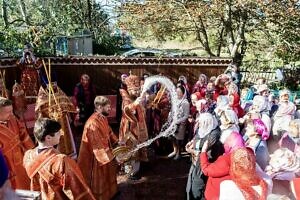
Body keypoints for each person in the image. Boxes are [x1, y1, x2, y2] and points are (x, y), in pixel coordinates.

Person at [23, 118, 95, 200]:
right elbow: (77, 189)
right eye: (58, 133)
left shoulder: (28, 156)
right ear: (48, 138)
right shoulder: (61, 161)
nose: (61, 134)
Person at [78, 96, 119, 200]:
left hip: (106, 152)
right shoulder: (93, 124)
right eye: (108, 107)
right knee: (99, 178)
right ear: (100, 107)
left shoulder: (102, 117)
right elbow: (97, 146)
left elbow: (108, 131)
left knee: (109, 173)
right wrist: (113, 157)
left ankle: (111, 194)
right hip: (95, 157)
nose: (110, 109)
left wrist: (117, 141)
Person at [35, 73, 77, 158]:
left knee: (66, 139)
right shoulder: (42, 97)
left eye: (55, 83)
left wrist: (64, 111)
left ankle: (70, 155)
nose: (53, 86)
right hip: (51, 124)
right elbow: (39, 113)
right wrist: (49, 113)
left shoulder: (59, 92)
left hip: (63, 122)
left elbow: (67, 105)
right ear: (46, 84)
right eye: (51, 84)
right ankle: (56, 157)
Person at [119, 73, 148, 180]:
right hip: (129, 129)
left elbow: (141, 111)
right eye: (134, 90)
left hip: (138, 128)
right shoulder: (126, 99)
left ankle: (136, 169)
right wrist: (135, 104)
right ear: (129, 89)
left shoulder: (136, 98)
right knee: (130, 150)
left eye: (137, 90)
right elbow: (126, 110)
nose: (136, 92)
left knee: (138, 148)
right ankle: (131, 172)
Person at [0, 97, 34, 190]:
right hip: (7, 164)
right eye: (8, 112)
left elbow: (23, 133)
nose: (11, 114)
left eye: (12, 111)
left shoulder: (12, 119)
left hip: (21, 157)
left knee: (26, 182)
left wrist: (31, 152)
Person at [168, 85, 190, 160]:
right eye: (176, 91)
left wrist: (178, 121)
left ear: (183, 93)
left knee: (178, 139)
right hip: (173, 122)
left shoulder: (185, 103)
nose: (177, 93)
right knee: (172, 137)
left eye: (179, 92)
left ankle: (178, 153)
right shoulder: (175, 100)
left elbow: (186, 115)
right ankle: (174, 150)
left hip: (180, 124)